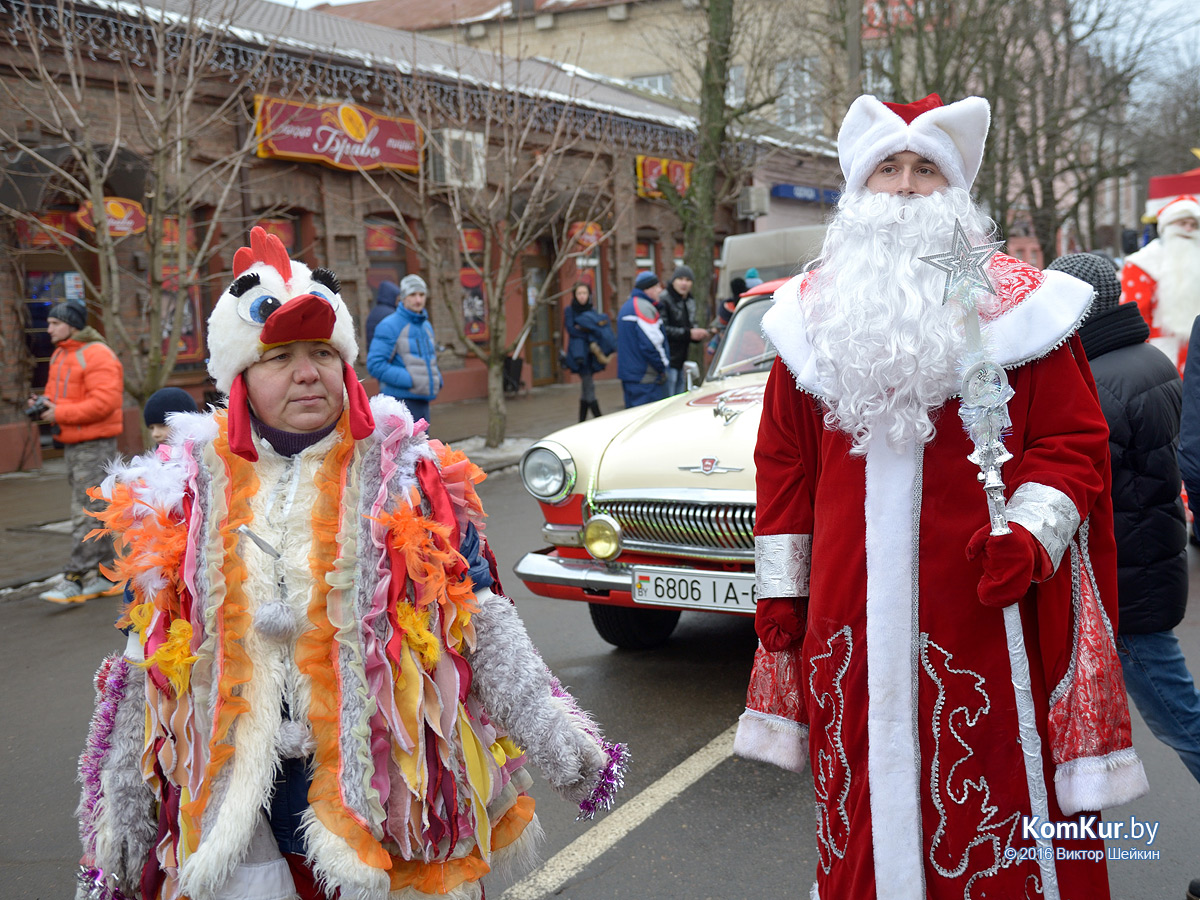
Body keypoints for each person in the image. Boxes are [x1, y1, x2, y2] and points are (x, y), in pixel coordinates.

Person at [74, 227, 626, 900]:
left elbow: (476, 612)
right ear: (241, 376)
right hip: (239, 798)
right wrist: (120, 804)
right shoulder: (182, 491)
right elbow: (145, 660)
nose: (307, 372)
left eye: (321, 354)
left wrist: (547, 722)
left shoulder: (410, 475)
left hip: (390, 787)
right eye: (281, 357)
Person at [734, 93, 1146, 899]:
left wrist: (1030, 532)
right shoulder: (809, 317)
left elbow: (1073, 444)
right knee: (860, 810)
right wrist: (783, 589)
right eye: (889, 167)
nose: (909, 186)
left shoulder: (1021, 308)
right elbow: (782, 462)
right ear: (860, 186)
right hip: (847, 620)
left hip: (989, 616)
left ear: (955, 188)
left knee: (990, 795)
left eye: (927, 169)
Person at [1053, 252, 1200, 780]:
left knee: (1177, 718)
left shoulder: (1097, 380)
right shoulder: (1146, 358)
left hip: (1126, 578)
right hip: (1150, 559)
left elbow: (1077, 478)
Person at [30, 300, 125, 605]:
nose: (49, 328)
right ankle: (100, 574)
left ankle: (75, 577)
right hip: (72, 444)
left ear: (71, 323)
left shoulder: (97, 354)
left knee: (86, 511)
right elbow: (57, 396)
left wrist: (59, 412)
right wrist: (43, 405)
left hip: (93, 445)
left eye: (55, 323)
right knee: (93, 509)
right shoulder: (61, 354)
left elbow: (105, 404)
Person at [1120, 194, 1200, 374]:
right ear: (1167, 226)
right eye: (1182, 223)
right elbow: (1134, 316)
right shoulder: (1142, 263)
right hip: (1158, 354)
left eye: (1194, 224)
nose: (1188, 229)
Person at [367, 273, 442, 423]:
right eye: (413, 294)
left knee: (423, 446)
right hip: (399, 404)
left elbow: (429, 359)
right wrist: (410, 380)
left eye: (421, 294)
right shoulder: (389, 325)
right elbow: (375, 365)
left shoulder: (426, 326)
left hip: (423, 400)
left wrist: (437, 379)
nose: (418, 299)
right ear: (403, 297)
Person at [562, 282, 616, 421]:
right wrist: (588, 333)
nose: (582, 296)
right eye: (579, 293)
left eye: (584, 293)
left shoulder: (592, 310)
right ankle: (600, 420)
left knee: (586, 388)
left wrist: (585, 329)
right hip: (579, 355)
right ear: (574, 295)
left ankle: (581, 422)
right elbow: (571, 330)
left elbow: (597, 330)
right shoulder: (570, 310)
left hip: (592, 354)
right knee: (589, 387)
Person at [617, 271, 669, 408]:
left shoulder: (627, 306)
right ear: (648, 289)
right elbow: (652, 344)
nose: (660, 290)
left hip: (630, 375)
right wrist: (663, 367)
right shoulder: (643, 308)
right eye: (657, 287)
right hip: (646, 378)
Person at [657, 265, 709, 395]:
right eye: (680, 279)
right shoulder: (664, 299)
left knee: (679, 395)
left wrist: (697, 335)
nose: (684, 283)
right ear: (673, 280)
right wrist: (689, 334)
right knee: (669, 399)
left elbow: (689, 325)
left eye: (688, 279)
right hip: (668, 360)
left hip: (682, 359)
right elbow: (663, 330)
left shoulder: (689, 300)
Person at [364, 277, 404, 349]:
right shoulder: (391, 314)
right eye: (397, 300)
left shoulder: (374, 311)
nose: (399, 303)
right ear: (392, 297)